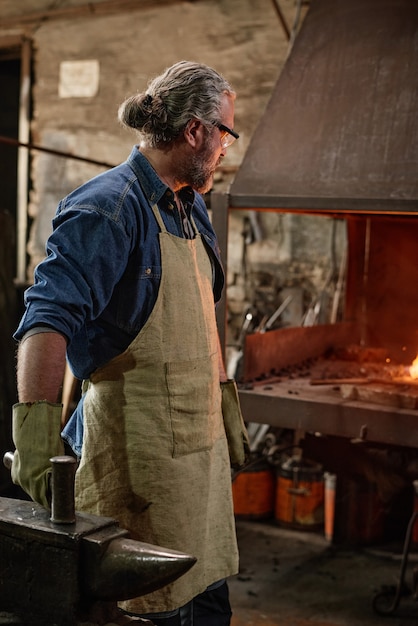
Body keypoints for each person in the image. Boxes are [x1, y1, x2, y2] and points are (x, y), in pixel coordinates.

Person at [11, 61, 248, 625]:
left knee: (209, 608)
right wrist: (36, 440)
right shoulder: (110, 207)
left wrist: (225, 404)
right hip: (139, 475)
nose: (225, 148)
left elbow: (202, 312)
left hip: (199, 467)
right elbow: (47, 322)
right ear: (195, 131)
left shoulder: (191, 205)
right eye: (225, 133)